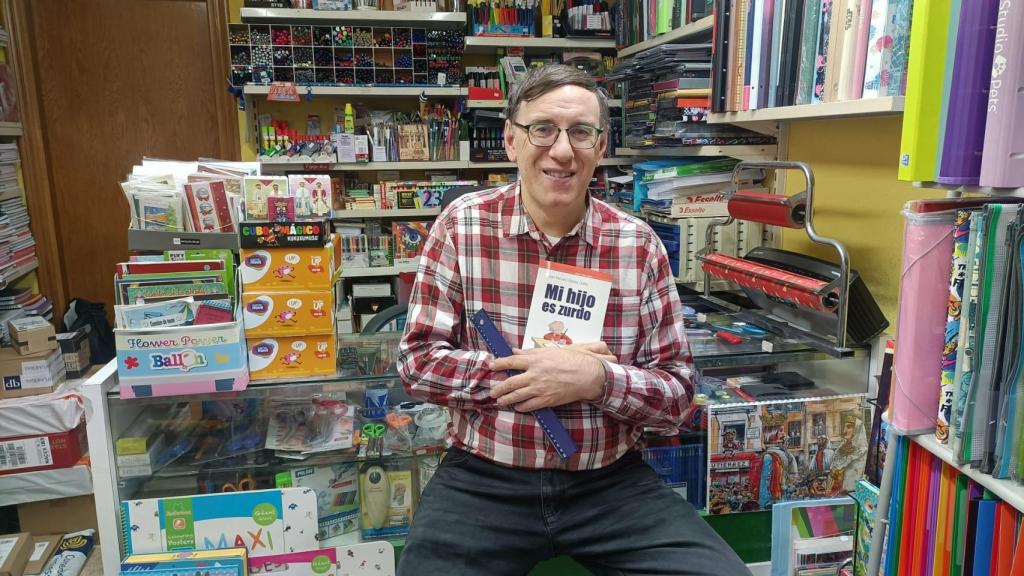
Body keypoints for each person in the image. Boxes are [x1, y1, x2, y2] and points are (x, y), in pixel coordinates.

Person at [397, 65, 750, 576]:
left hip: (609, 482)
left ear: (600, 147)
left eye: (580, 132)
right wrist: (530, 375)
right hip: (484, 477)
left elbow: (677, 397)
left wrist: (595, 379)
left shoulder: (638, 245)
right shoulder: (462, 226)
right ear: (510, 140)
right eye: (542, 129)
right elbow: (417, 363)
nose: (562, 150)